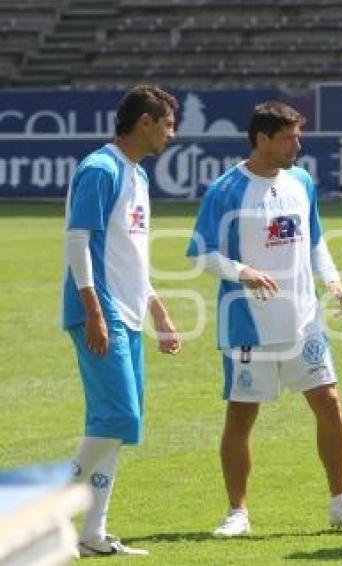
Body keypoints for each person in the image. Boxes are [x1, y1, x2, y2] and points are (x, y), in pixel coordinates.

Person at [186, 101, 342, 538]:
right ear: (262, 139)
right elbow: (201, 253)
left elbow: (315, 240)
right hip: (248, 326)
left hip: (304, 321)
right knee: (242, 416)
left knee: (330, 405)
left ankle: (340, 501)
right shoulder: (226, 190)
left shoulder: (301, 182)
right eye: (288, 137)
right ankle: (237, 512)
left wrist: (334, 282)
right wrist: (242, 271)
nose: (297, 144)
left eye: (297, 135)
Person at [61, 85, 181, 557]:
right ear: (147, 122)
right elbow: (77, 241)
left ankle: (92, 533)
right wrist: (93, 311)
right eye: (168, 125)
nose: (171, 135)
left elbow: (131, 258)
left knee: (114, 426)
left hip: (127, 312)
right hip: (100, 310)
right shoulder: (101, 168)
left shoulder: (138, 177)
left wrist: (159, 311)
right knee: (119, 416)